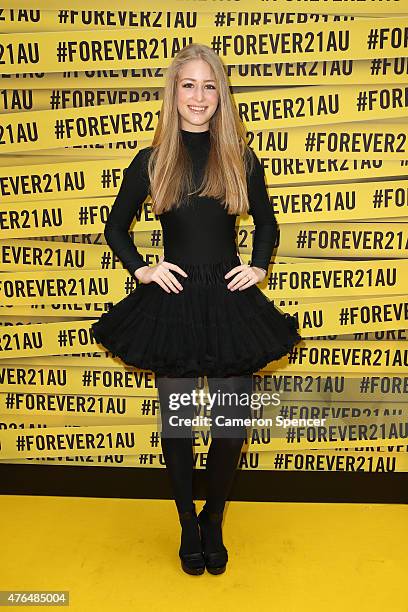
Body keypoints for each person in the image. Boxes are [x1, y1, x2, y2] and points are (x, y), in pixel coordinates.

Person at [91, 43, 302, 576]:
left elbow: (269, 225)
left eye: (209, 86)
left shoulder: (240, 158)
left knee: (231, 424)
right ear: (174, 92)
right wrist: (142, 268)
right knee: (180, 423)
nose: (199, 96)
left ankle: (213, 519)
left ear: (220, 94)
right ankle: (187, 523)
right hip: (174, 303)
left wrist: (256, 265)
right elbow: (116, 227)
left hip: (230, 302)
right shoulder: (152, 159)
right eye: (189, 85)